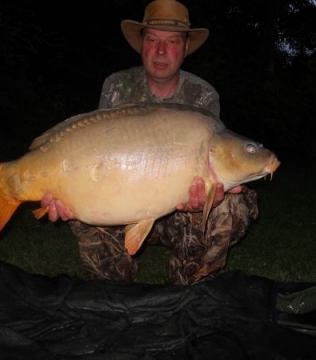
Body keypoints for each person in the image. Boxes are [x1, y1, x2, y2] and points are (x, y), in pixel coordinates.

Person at [42, 0, 258, 285]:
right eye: (152, 39)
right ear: (141, 44)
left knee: (232, 204)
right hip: (123, 202)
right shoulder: (117, 87)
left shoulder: (203, 95)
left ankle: (187, 286)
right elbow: (95, 155)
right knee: (80, 207)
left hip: (176, 211)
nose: (160, 50)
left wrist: (205, 199)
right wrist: (68, 196)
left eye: (172, 41)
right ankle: (114, 287)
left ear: (185, 48)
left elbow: (210, 166)